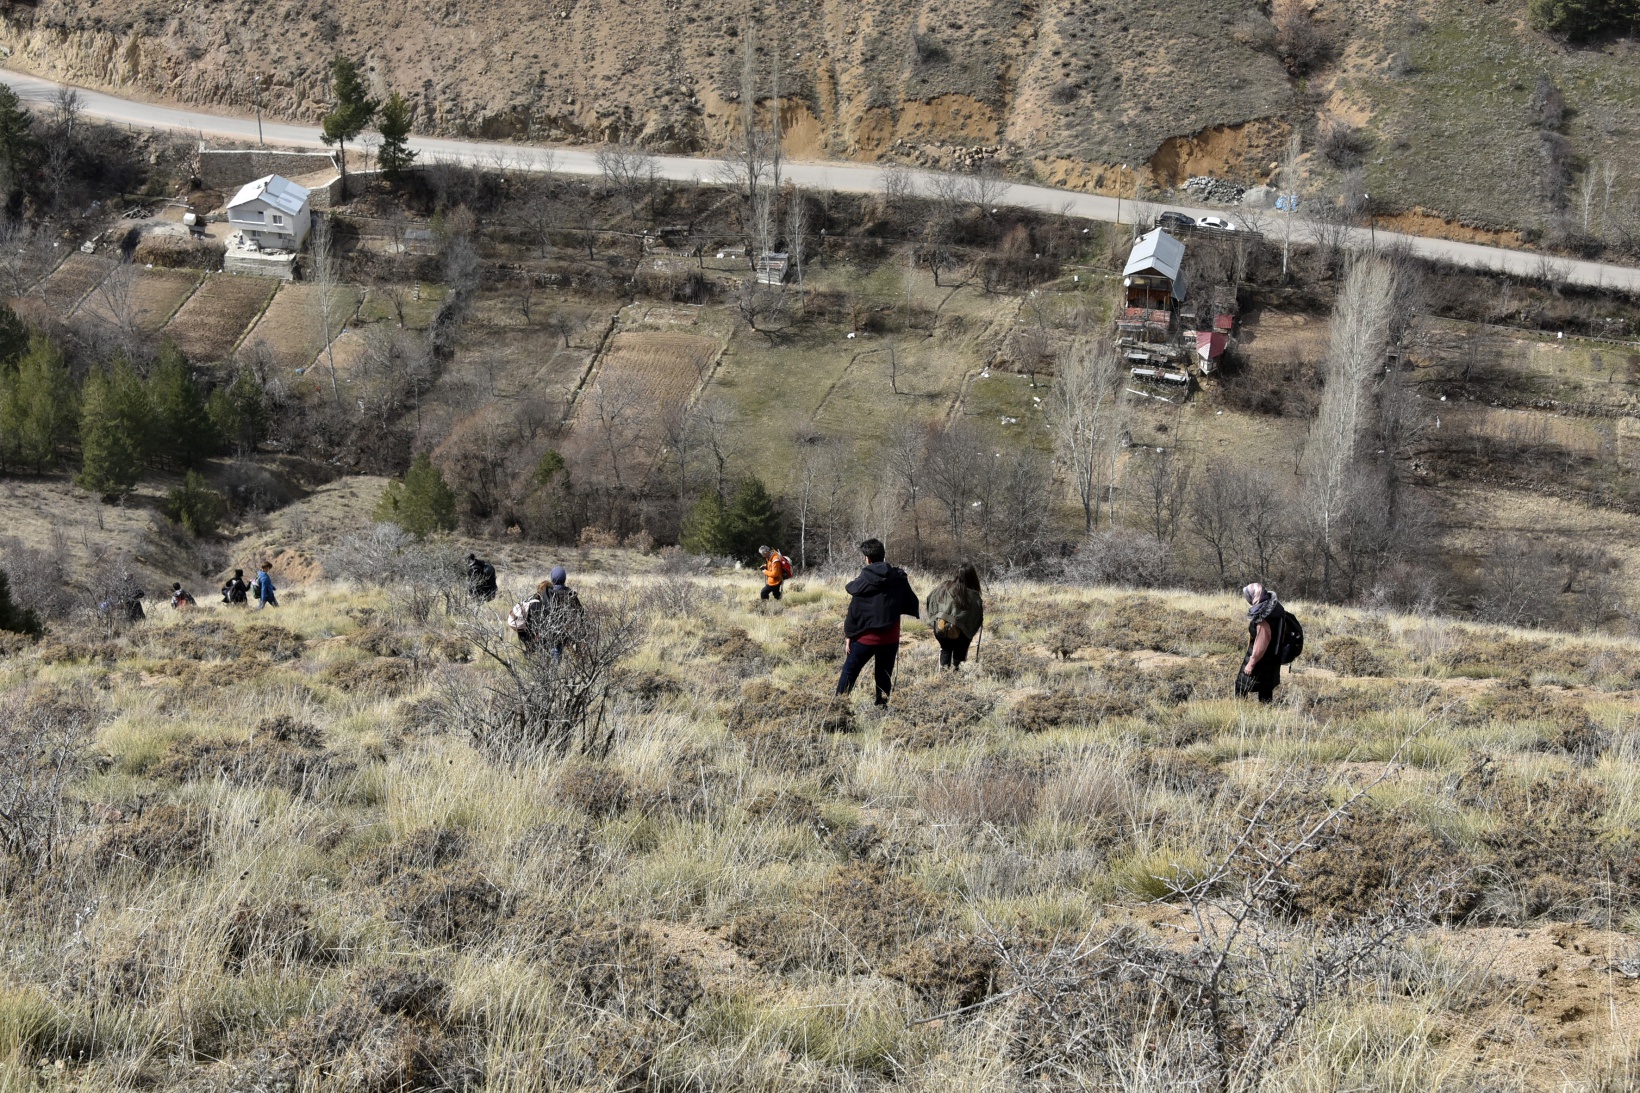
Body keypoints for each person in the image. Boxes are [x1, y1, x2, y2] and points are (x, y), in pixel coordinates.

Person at [836, 538, 919, 706]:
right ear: (882, 555)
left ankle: (838, 706)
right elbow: (910, 601)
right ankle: (882, 708)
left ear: (867, 558)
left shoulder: (863, 581)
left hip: (866, 638)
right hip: (891, 637)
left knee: (850, 671)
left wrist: (849, 635)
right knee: (884, 675)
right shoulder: (897, 577)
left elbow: (854, 611)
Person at [925, 563, 984, 671]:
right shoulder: (973, 595)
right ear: (973, 577)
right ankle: (957, 678)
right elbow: (977, 618)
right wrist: (968, 631)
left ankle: (943, 677)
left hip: (940, 628)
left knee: (945, 649)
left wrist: (935, 619)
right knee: (960, 654)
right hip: (961, 634)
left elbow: (930, 600)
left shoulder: (943, 587)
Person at [1237, 582, 1284, 704]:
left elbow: (1261, 644)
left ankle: (1240, 711)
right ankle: (1266, 714)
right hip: (1273, 656)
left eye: (1248, 596)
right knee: (1265, 689)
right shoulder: (1275, 607)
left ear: (1255, 596)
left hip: (1261, 659)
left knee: (1241, 686)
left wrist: (1251, 663)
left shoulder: (1264, 616)